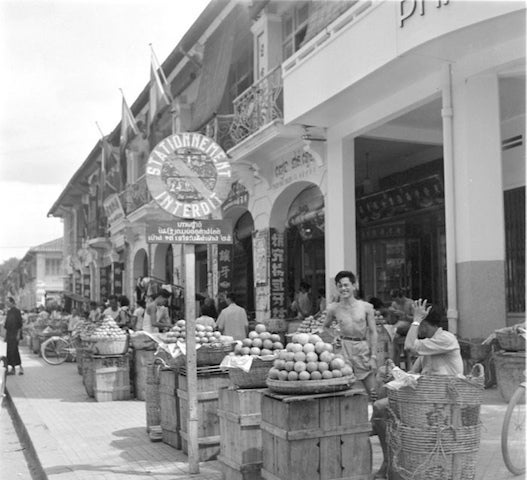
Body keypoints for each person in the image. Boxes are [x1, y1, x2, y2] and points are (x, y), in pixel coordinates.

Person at [371, 299, 463, 479]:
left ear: (425, 324)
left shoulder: (445, 339)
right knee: (380, 401)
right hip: (425, 395)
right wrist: (393, 373)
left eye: (420, 324)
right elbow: (412, 374)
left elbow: (409, 346)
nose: (418, 329)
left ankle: (389, 462)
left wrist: (415, 320)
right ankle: (389, 458)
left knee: (380, 408)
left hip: (441, 399)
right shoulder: (430, 342)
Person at [323, 271, 378, 397]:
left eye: (346, 285)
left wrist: (373, 357)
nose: (343, 289)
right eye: (340, 286)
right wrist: (334, 335)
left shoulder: (366, 307)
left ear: (354, 285)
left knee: (373, 391)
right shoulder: (333, 308)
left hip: (362, 348)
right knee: (343, 389)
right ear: (337, 288)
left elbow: (373, 332)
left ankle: (376, 415)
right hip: (343, 349)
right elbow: (325, 327)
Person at [387, 289, 414, 366]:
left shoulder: (410, 303)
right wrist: (392, 314)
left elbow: (415, 319)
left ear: (401, 297)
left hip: (409, 326)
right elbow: (392, 321)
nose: (397, 302)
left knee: (394, 330)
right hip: (398, 325)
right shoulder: (394, 304)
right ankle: (395, 358)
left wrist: (404, 315)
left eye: (397, 300)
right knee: (391, 332)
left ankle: (397, 356)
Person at [4, 297, 24, 375]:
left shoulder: (17, 311)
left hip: (15, 334)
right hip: (9, 334)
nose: (7, 303)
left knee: (14, 350)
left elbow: (20, 324)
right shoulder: (8, 312)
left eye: (8, 302)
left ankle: (19, 367)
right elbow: (7, 324)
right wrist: (6, 336)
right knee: (10, 351)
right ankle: (13, 368)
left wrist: (18, 334)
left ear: (12, 302)